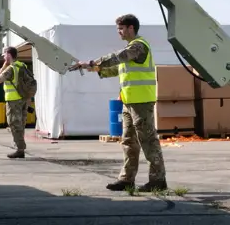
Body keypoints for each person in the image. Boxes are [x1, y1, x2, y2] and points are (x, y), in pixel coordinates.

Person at [70, 14, 167, 192]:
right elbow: (117, 68)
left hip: (141, 102)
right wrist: (95, 68)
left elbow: (118, 57)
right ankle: (126, 179)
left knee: (148, 141)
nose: (119, 33)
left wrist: (94, 62)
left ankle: (158, 180)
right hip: (129, 102)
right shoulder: (131, 50)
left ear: (131, 28)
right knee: (129, 141)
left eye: (121, 29)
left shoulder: (139, 46)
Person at [0, 46, 32, 159]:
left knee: (13, 124)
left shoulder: (10, 68)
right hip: (24, 99)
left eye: (4, 54)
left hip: (13, 100)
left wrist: (3, 66)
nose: (3, 56)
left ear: (9, 55)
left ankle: (20, 149)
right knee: (21, 124)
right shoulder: (23, 66)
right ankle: (19, 148)